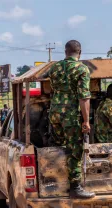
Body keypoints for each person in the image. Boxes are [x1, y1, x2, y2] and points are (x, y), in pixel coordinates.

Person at [48, 40, 95, 199]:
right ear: (79, 52)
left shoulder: (54, 68)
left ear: (65, 52)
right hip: (71, 115)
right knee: (75, 149)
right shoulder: (82, 69)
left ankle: (56, 182)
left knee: (60, 146)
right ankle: (75, 187)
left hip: (55, 113)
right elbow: (84, 97)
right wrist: (86, 121)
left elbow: (53, 89)